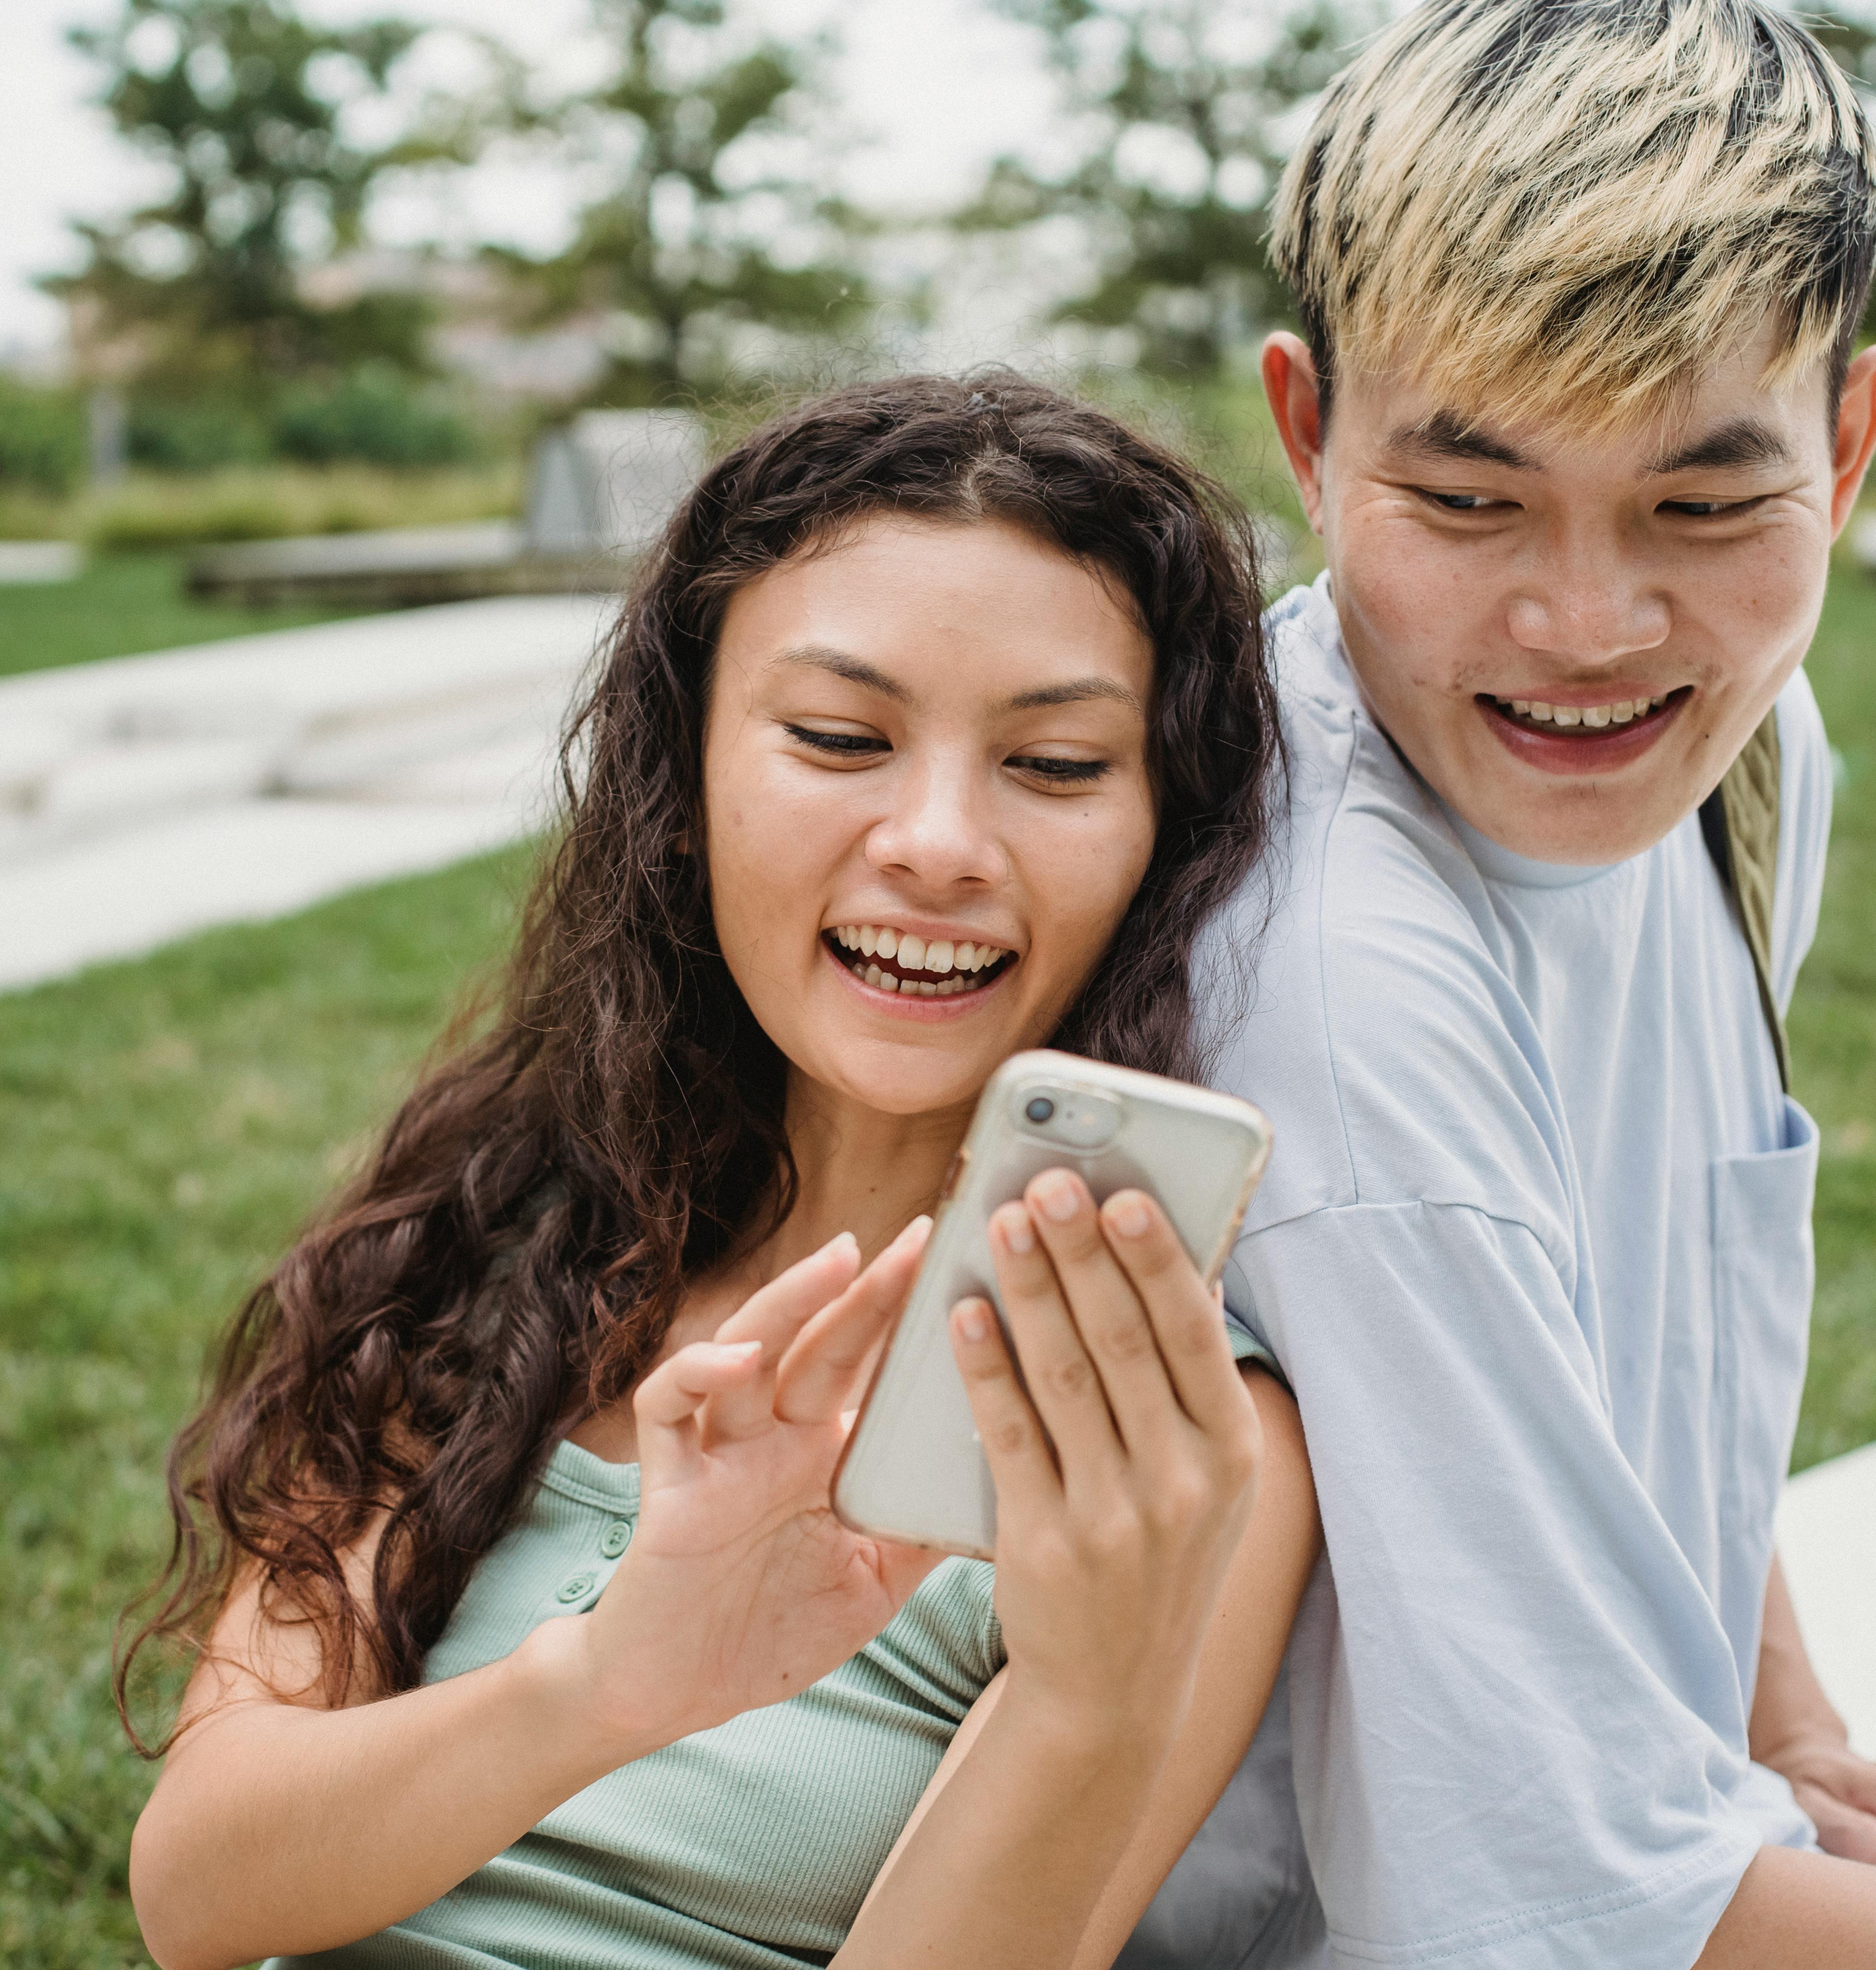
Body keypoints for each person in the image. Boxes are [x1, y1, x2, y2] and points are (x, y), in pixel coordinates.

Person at [1122, 2, 1876, 1965]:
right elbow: (1546, 1912)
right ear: (1304, 432)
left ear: (1850, 444)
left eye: (1704, 505)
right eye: (1468, 500)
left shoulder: (1747, 771)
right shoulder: (1340, 987)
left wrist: (1786, 1724)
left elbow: (1643, 1322)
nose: (1590, 626)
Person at [117, 373, 1322, 1970]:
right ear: (681, 783)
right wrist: (615, 1679)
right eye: (839, 737)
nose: (940, 841)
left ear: (1162, 839)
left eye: (1056, 766)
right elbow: (201, 1895)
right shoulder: (505, 1232)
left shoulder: (1170, 1436)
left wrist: (1100, 1699)